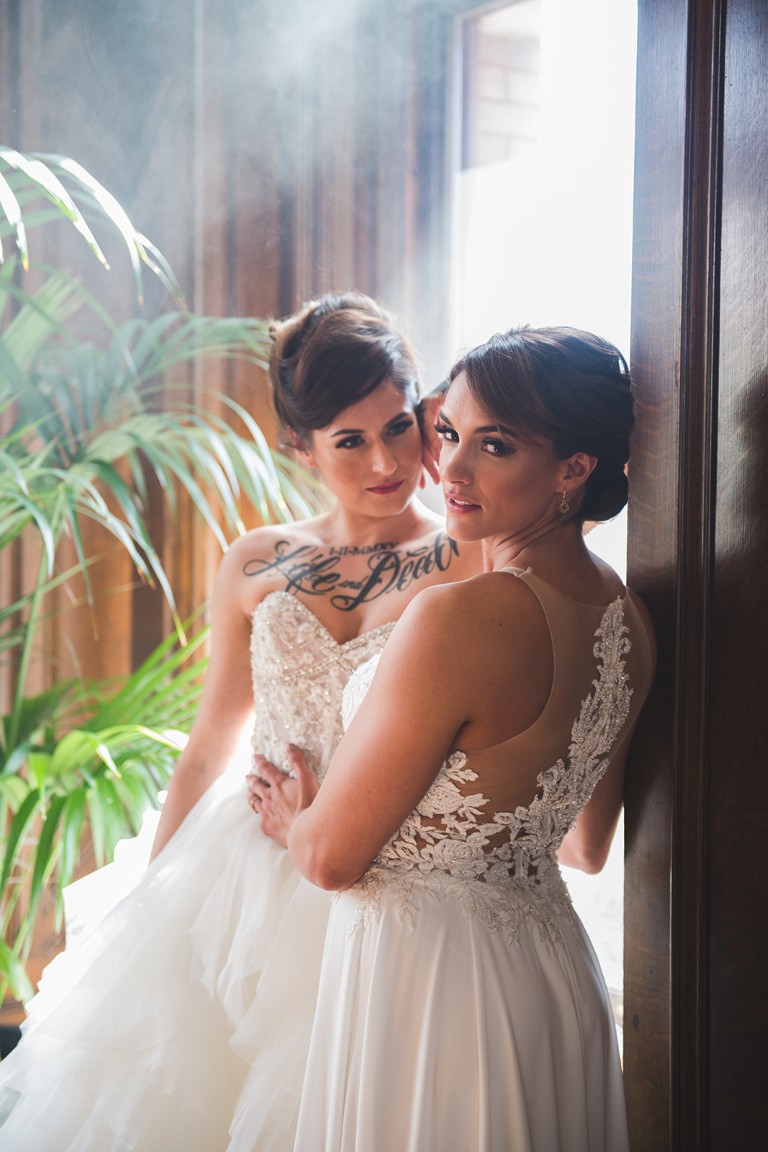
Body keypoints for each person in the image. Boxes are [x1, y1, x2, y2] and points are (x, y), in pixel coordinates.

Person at [0, 291, 481, 1151]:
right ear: (299, 446)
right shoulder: (256, 561)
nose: (385, 460)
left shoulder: (470, 559)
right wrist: (154, 904)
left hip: (389, 870)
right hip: (245, 875)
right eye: (349, 441)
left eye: (398, 426)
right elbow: (207, 748)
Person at [251, 325, 656, 1152]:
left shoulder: (456, 616)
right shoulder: (629, 617)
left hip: (425, 981)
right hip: (547, 974)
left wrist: (300, 819)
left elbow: (329, 860)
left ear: (574, 468)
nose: (451, 469)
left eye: (494, 445)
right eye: (448, 433)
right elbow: (584, 847)